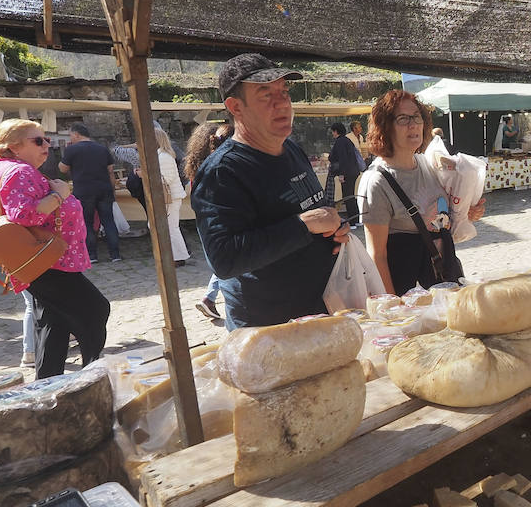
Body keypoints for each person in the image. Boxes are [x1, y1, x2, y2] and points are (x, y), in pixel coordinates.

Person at [191, 54, 349, 328]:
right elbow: (224, 259)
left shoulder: (291, 148)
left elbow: (310, 211)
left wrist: (334, 230)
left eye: (284, 92)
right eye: (266, 95)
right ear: (235, 107)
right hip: (267, 327)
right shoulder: (222, 171)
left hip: (319, 310)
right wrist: (303, 225)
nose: (283, 103)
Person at [0, 119, 110, 379]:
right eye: (38, 140)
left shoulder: (5, 170)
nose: (46, 145)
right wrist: (60, 194)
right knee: (94, 311)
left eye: (47, 139)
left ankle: (48, 386)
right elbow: (24, 214)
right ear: (14, 147)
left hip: (37, 262)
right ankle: (92, 377)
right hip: (47, 261)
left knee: (54, 324)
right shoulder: (19, 172)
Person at [357, 91, 485, 294]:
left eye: (417, 116)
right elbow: (377, 255)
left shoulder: (427, 163)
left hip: (445, 278)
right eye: (403, 119)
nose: (413, 124)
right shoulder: (376, 181)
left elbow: (437, 217)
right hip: (409, 293)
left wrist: (466, 214)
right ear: (385, 126)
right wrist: (394, 307)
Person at [184, 121, 233, 324]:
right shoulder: (216, 167)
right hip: (222, 223)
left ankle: (209, 298)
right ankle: (210, 299)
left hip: (208, 223)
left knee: (222, 263)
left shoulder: (198, 166)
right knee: (228, 264)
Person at [59, 123, 121, 263]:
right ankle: (115, 254)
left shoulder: (72, 150)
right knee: (109, 221)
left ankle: (92, 255)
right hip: (104, 189)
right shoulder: (102, 148)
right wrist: (113, 190)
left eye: (71, 135)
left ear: (76, 134)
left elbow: (62, 169)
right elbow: (110, 170)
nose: (71, 138)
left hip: (84, 190)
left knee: (87, 223)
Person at [143, 124, 190, 267]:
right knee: (164, 227)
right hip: (168, 197)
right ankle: (174, 256)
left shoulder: (163, 157)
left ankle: (178, 257)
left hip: (170, 198)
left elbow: (164, 179)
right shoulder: (161, 156)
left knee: (171, 228)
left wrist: (144, 174)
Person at [326, 122, 367, 226]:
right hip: (354, 171)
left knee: (347, 196)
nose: (332, 134)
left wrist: (341, 174)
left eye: (333, 132)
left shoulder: (340, 142)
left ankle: (352, 222)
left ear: (336, 131)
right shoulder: (348, 140)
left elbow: (342, 159)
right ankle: (356, 220)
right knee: (351, 196)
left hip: (347, 173)